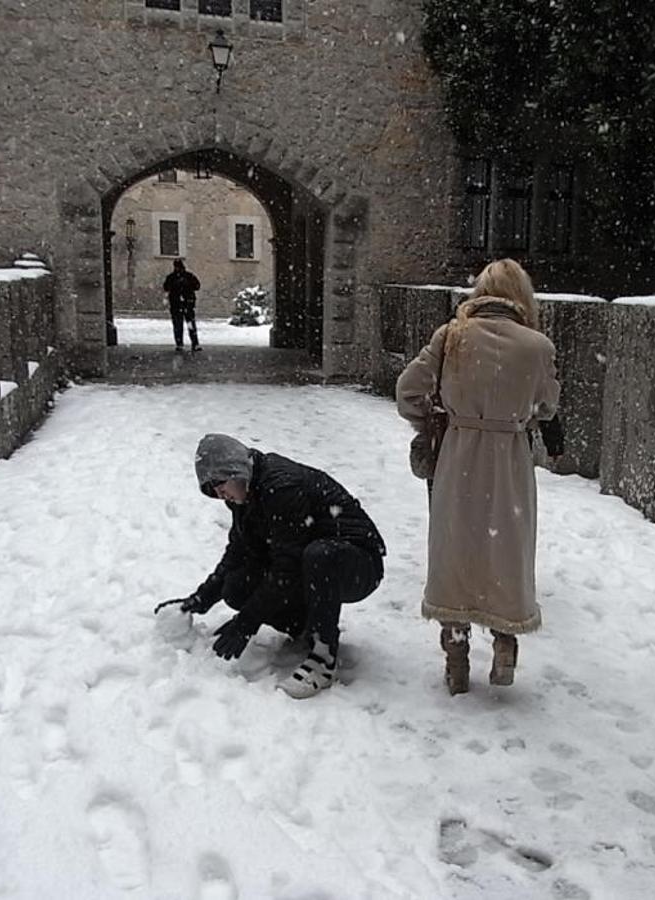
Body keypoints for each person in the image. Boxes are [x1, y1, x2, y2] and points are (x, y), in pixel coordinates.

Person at [396, 259, 560, 695]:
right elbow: (547, 406)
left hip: (459, 453)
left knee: (456, 547)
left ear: (480, 291)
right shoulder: (538, 346)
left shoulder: (452, 337)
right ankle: (505, 644)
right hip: (510, 458)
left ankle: (455, 653)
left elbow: (408, 391)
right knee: (507, 547)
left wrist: (437, 418)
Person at [157, 433, 386, 699]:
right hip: (310, 563)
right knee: (236, 588)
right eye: (212, 489)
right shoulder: (244, 495)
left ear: (236, 469)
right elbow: (238, 554)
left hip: (357, 563)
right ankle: (306, 629)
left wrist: (247, 622)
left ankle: (324, 660)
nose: (220, 494)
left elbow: (286, 570)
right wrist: (198, 600)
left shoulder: (281, 487)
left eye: (219, 483)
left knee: (319, 556)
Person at [162, 258, 201, 352]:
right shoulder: (187, 276)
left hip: (181, 304)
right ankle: (192, 343)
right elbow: (197, 286)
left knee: (180, 325)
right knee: (187, 324)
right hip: (184, 304)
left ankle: (182, 344)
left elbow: (166, 287)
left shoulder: (173, 277)